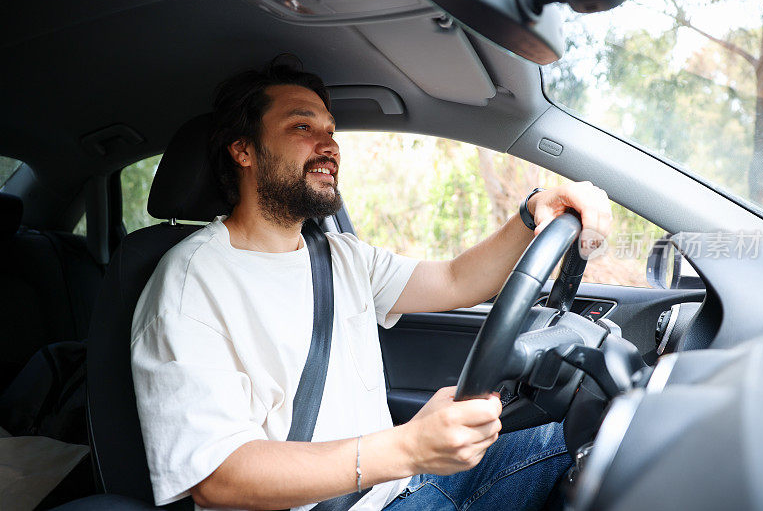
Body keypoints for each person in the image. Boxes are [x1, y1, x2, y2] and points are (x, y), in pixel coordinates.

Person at [131, 56, 612, 511]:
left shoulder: (340, 256)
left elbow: (455, 279)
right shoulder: (190, 283)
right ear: (244, 150)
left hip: (397, 490)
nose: (329, 146)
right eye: (302, 127)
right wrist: (406, 447)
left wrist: (532, 212)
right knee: (590, 447)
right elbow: (218, 476)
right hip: (369, 494)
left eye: (330, 131)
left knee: (594, 431)